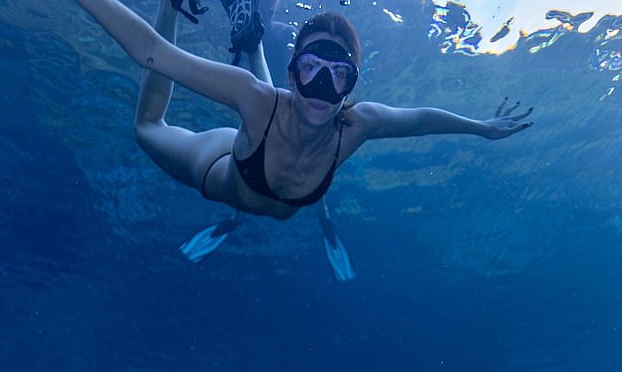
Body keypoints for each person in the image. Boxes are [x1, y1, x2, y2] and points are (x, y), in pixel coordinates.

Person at [69, 0, 533, 278]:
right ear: (294, 73)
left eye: (337, 77)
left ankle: (250, 40)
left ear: (351, 86)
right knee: (147, 129)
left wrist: (481, 128)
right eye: (311, 71)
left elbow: (420, 120)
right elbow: (152, 52)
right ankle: (196, 15)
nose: (321, 90)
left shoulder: (358, 124)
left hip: (267, 141)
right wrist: (167, 10)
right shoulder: (254, 97)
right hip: (218, 166)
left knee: (279, 111)